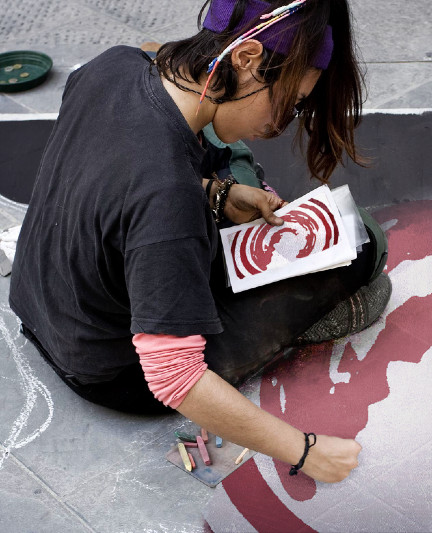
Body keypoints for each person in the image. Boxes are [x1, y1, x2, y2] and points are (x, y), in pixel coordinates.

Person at [9, 0, 390, 484]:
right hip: (113, 372)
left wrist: (216, 192)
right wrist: (306, 451)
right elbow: (174, 376)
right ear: (247, 58)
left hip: (42, 308)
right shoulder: (167, 193)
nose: (281, 125)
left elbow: (107, 170)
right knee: (364, 243)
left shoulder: (112, 64)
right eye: (289, 103)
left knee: (228, 160)